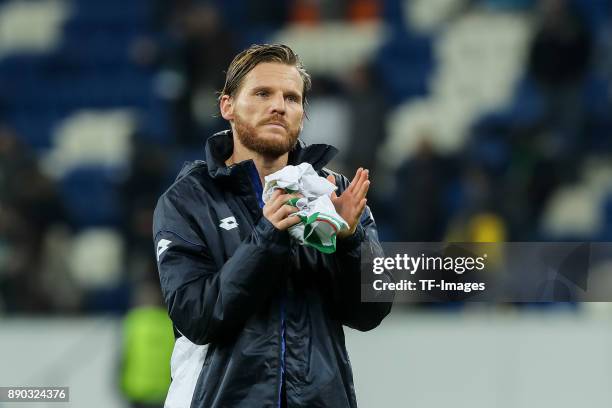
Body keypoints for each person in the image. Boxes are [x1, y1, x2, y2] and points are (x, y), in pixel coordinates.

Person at [153, 43, 393, 408]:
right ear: (227, 106)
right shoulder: (189, 200)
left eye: (292, 98)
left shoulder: (334, 193)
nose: (279, 105)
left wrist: (349, 241)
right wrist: (267, 236)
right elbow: (198, 317)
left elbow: (370, 312)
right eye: (262, 93)